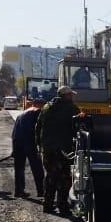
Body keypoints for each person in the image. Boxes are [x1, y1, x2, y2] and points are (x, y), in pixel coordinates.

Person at [35, 85, 80, 214]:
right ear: (66, 95)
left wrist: (39, 145)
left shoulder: (46, 107)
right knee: (65, 177)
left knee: (50, 176)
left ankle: (47, 204)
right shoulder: (71, 108)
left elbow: (38, 127)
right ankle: (62, 205)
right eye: (71, 95)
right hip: (63, 149)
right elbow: (77, 127)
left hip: (47, 148)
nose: (72, 97)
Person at [12, 97, 45, 199]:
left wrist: (14, 149)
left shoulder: (22, 114)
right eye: (43, 105)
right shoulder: (37, 111)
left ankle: (19, 191)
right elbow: (36, 129)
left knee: (19, 168)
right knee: (37, 169)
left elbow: (14, 132)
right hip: (30, 143)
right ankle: (41, 191)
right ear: (38, 104)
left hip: (18, 143)